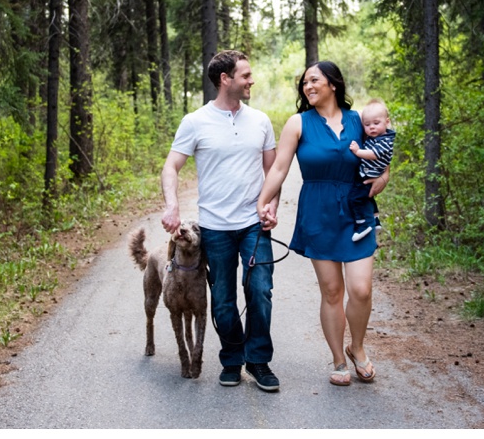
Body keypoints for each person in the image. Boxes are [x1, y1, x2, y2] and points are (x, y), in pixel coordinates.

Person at [257, 61, 388, 387]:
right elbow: (278, 169)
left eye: (314, 80)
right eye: (304, 83)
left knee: (361, 289)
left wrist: (384, 176)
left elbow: (384, 155)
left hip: (357, 210)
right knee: (331, 291)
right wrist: (264, 202)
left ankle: (356, 347)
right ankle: (338, 360)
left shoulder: (359, 120)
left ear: (333, 83)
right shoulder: (298, 123)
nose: (308, 86)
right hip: (318, 212)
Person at [161, 49, 282, 392]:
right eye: (245, 75)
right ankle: (232, 357)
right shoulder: (195, 121)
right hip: (214, 227)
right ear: (225, 79)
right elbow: (171, 166)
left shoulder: (260, 120)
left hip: (253, 225)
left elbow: (272, 170)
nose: (251, 80)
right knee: (225, 300)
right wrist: (171, 206)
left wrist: (271, 205)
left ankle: (258, 360)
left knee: (260, 290)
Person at [348, 99, 395, 242]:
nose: (372, 128)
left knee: (355, 199)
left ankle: (362, 225)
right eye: (367, 125)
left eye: (376, 123)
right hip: (369, 173)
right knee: (369, 197)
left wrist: (357, 151)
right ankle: (376, 220)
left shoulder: (385, 141)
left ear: (387, 122)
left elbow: (373, 154)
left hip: (368, 175)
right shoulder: (378, 137)